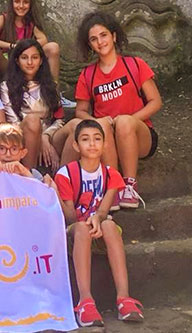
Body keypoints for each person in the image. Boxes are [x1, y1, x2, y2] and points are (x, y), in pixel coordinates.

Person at [64, 11, 162, 210]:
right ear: (89, 44)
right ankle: (113, 186)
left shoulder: (135, 64)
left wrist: (128, 120)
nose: (100, 42)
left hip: (139, 134)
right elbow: (80, 111)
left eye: (103, 35)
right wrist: (99, 122)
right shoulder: (87, 75)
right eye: (94, 39)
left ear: (114, 36)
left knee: (124, 122)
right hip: (108, 138)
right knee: (100, 125)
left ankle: (130, 186)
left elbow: (155, 102)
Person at [55, 119, 143, 326]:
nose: (92, 144)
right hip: (75, 231)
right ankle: (85, 300)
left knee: (110, 225)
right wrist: (55, 193)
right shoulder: (66, 174)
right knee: (82, 228)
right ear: (76, 145)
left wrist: (97, 217)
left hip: (100, 228)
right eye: (85, 139)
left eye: (97, 139)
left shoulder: (111, 174)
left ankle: (124, 297)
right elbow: (70, 217)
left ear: (105, 145)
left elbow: (104, 210)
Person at [0, 39, 72, 171]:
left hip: (50, 135)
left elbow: (59, 119)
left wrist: (45, 136)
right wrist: (37, 135)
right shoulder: (6, 87)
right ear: (17, 61)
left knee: (76, 125)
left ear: (41, 60)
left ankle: (64, 176)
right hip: (22, 136)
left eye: (34, 57)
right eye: (24, 58)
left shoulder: (51, 85)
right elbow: (13, 122)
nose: (30, 62)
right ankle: (28, 173)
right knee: (33, 120)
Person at [0, 0, 60, 85]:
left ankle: (53, 88)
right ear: (11, 3)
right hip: (7, 61)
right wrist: (12, 46)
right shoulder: (3, 18)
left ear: (30, 4)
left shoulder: (32, 21)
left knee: (53, 47)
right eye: (17, 2)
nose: (21, 6)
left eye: (25, 2)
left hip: (26, 60)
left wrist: (25, 46)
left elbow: (43, 40)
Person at [0, 123, 55, 189]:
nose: (8, 154)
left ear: (23, 153)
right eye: (2, 149)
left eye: (14, 149)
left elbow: (41, 193)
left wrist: (24, 172)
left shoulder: (32, 173)